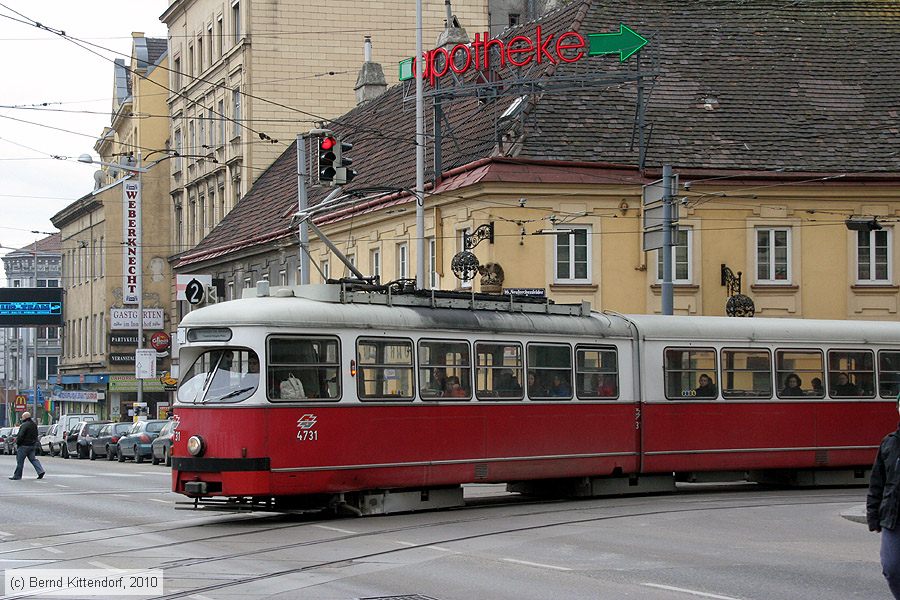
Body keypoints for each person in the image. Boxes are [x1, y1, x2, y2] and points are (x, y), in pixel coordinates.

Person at [867, 395, 900, 598]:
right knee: (892, 568)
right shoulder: (889, 443)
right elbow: (877, 481)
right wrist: (873, 514)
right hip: (893, 518)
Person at [9, 412, 45, 481]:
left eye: (22, 417)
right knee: (33, 459)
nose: (21, 419)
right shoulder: (34, 425)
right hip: (32, 445)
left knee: (20, 461)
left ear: (25, 417)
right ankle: (40, 471)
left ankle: (17, 476)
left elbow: (20, 435)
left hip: (23, 446)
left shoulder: (24, 425)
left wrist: (18, 443)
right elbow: (36, 435)